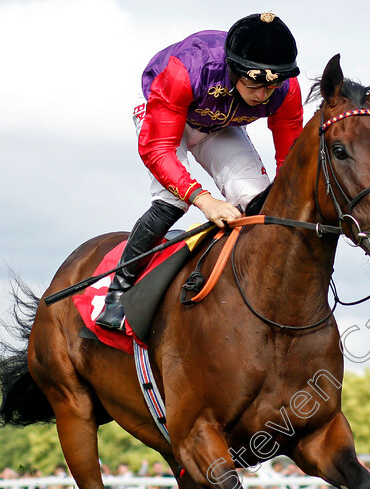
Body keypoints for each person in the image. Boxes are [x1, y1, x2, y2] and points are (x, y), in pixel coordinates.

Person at [94, 12, 303, 330]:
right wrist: (205, 200)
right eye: (254, 82)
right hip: (163, 110)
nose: (262, 95)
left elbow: (290, 163)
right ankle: (118, 293)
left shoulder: (287, 90)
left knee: (261, 202)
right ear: (234, 68)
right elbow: (158, 151)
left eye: (271, 86)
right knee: (171, 201)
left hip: (219, 124)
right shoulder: (187, 70)